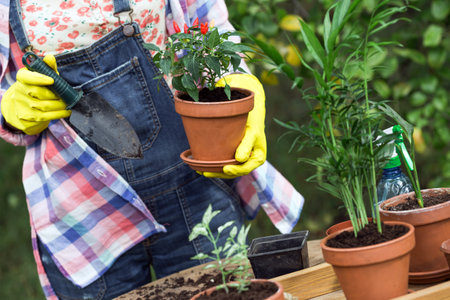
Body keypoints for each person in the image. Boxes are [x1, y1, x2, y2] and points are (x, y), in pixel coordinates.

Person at [0, 1, 304, 299]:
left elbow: (210, 28)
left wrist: (239, 85)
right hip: (84, 215)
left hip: (196, 188)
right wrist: (9, 112)